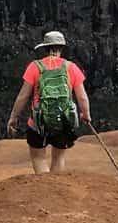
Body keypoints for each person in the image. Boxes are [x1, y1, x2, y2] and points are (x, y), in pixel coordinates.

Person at [6, 30, 90, 174]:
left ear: (45, 48)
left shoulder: (34, 67)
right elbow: (82, 97)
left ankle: (44, 184)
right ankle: (55, 185)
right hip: (63, 122)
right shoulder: (71, 67)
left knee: (38, 158)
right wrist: (86, 114)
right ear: (62, 48)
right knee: (58, 159)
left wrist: (13, 117)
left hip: (38, 123)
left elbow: (23, 96)